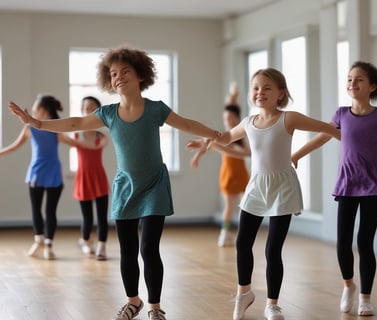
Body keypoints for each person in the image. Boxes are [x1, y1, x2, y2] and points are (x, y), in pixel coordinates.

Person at [8, 45, 221, 320]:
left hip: (155, 184)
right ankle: (133, 301)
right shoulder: (107, 113)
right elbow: (74, 124)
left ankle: (155, 308)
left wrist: (217, 135)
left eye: (125, 71)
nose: (118, 77)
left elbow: (186, 124)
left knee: (149, 249)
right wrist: (36, 122)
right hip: (125, 187)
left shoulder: (155, 109)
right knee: (128, 250)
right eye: (113, 73)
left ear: (141, 75)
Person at [204, 68, 340, 320]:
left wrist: (351, 140)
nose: (260, 92)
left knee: (272, 249)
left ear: (281, 93)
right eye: (256, 88)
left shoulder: (289, 118)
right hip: (256, 188)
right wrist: (207, 140)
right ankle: (244, 292)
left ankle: (272, 304)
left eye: (267, 88)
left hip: (283, 188)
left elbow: (326, 127)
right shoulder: (247, 122)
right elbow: (225, 137)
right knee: (243, 243)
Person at [292, 61, 377, 317]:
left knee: (364, 241)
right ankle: (348, 285)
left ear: (372, 86)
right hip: (348, 183)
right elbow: (321, 137)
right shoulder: (341, 115)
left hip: (373, 184)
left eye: (359, 80)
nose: (352, 83)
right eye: (350, 79)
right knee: (342, 243)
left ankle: (365, 297)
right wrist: (296, 154)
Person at [0, 95, 79, 260]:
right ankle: (38, 240)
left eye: (37, 108)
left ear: (45, 110)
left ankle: (48, 244)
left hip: (54, 173)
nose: (34, 111)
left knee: (50, 210)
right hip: (36, 173)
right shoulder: (30, 128)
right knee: (36, 209)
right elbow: (14, 147)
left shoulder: (55, 129)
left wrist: (91, 144)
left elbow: (74, 144)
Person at [189, 82, 250, 247]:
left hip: (242, 173)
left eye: (231, 118)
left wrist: (233, 96)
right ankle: (225, 233)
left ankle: (243, 233)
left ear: (237, 118)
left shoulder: (242, 135)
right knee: (230, 206)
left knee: (246, 205)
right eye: (225, 119)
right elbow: (207, 142)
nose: (228, 121)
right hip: (228, 173)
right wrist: (198, 156)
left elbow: (247, 152)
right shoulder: (224, 136)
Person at [74, 96, 110, 261]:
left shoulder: (102, 136)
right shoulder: (75, 135)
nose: (89, 110)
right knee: (87, 216)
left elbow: (98, 145)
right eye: (86, 107)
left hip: (98, 177)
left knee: (102, 216)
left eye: (93, 107)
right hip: (83, 178)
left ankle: (102, 245)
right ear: (82, 110)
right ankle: (86, 241)